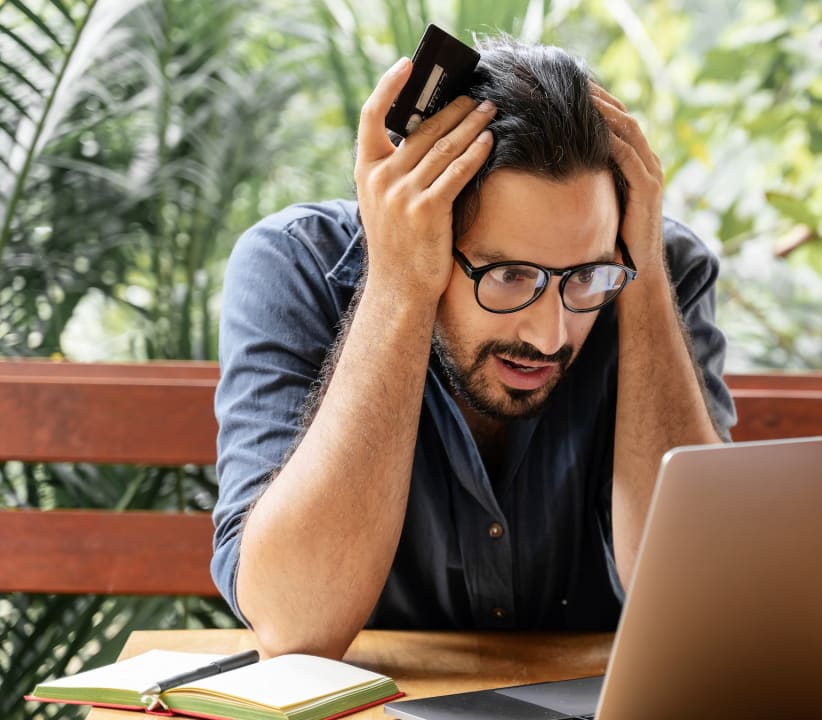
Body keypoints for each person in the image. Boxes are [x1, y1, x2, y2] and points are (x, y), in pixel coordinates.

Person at [210, 37, 736, 659]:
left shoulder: (652, 265)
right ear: (426, 231)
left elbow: (704, 612)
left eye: (585, 277)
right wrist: (399, 284)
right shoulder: (295, 264)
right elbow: (295, 624)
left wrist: (639, 270)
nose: (549, 337)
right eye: (510, 276)